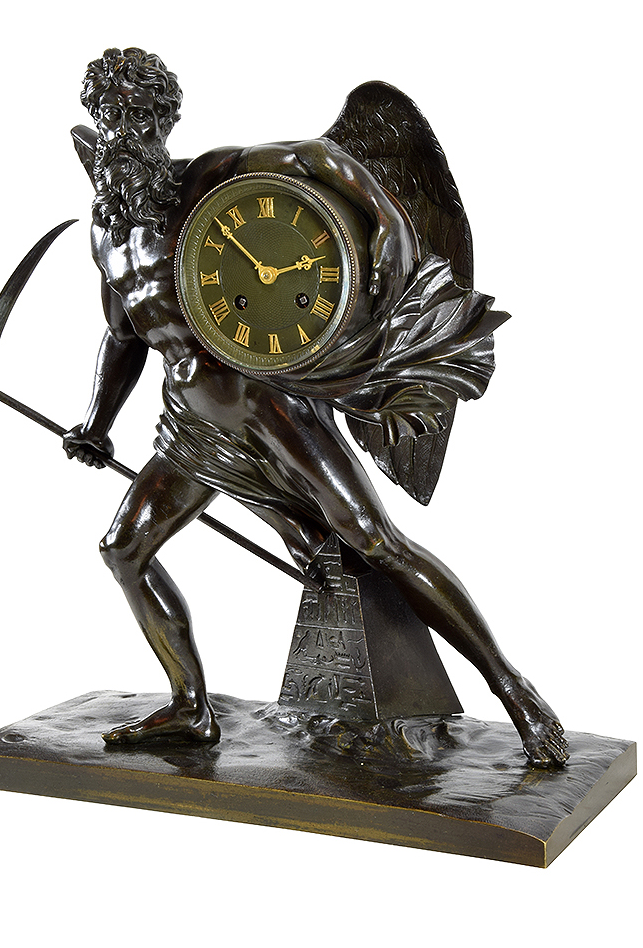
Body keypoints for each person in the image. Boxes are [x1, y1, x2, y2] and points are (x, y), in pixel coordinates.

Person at [64, 47, 568, 767]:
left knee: (374, 541)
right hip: (192, 429)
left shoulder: (211, 180)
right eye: (111, 116)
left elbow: (312, 157)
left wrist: (386, 219)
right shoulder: (106, 233)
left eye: (140, 117)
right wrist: (97, 423)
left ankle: (515, 691)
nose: (124, 131)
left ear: (163, 123)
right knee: (124, 550)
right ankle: (190, 706)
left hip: (270, 411)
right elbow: (123, 335)